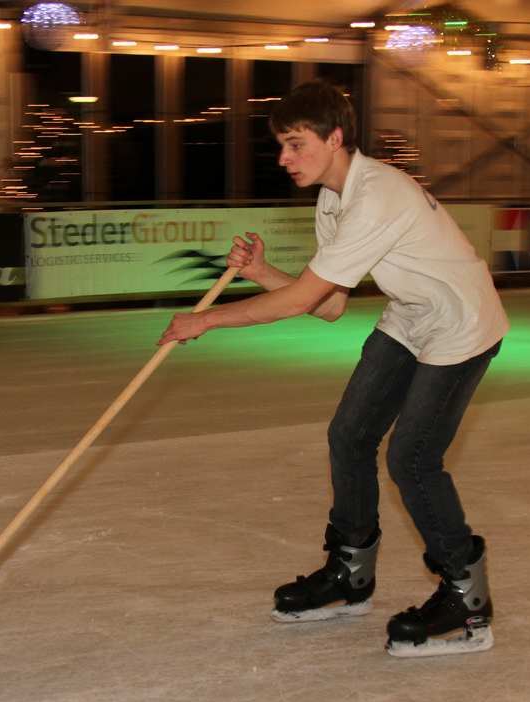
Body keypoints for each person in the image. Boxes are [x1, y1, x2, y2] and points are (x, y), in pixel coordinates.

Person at [158, 79, 509, 657]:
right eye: (281, 145)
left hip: (462, 323)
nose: (284, 158)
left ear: (335, 138)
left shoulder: (377, 194)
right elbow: (328, 305)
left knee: (412, 457)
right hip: (412, 316)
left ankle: (465, 596)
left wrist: (207, 320)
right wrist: (261, 273)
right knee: (350, 434)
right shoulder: (332, 199)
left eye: (295, 144)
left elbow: (302, 301)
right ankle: (351, 573)